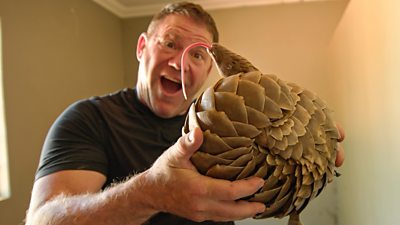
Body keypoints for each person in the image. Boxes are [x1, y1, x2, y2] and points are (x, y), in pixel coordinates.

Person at [25, 2, 345, 225]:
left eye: (197, 56)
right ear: (141, 48)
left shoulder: (237, 122)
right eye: (169, 44)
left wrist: (307, 149)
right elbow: (43, 221)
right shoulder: (87, 120)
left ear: (209, 69)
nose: (180, 63)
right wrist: (150, 193)